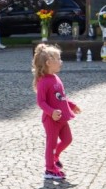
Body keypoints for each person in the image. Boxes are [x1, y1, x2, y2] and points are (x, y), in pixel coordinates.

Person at [33, 43, 80, 181]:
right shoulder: (43, 82)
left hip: (62, 117)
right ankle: (49, 169)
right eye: (58, 59)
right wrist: (51, 112)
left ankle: (55, 156)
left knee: (67, 139)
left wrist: (71, 105)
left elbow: (60, 97)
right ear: (48, 63)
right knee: (51, 144)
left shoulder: (56, 78)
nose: (61, 61)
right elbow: (41, 102)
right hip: (51, 120)